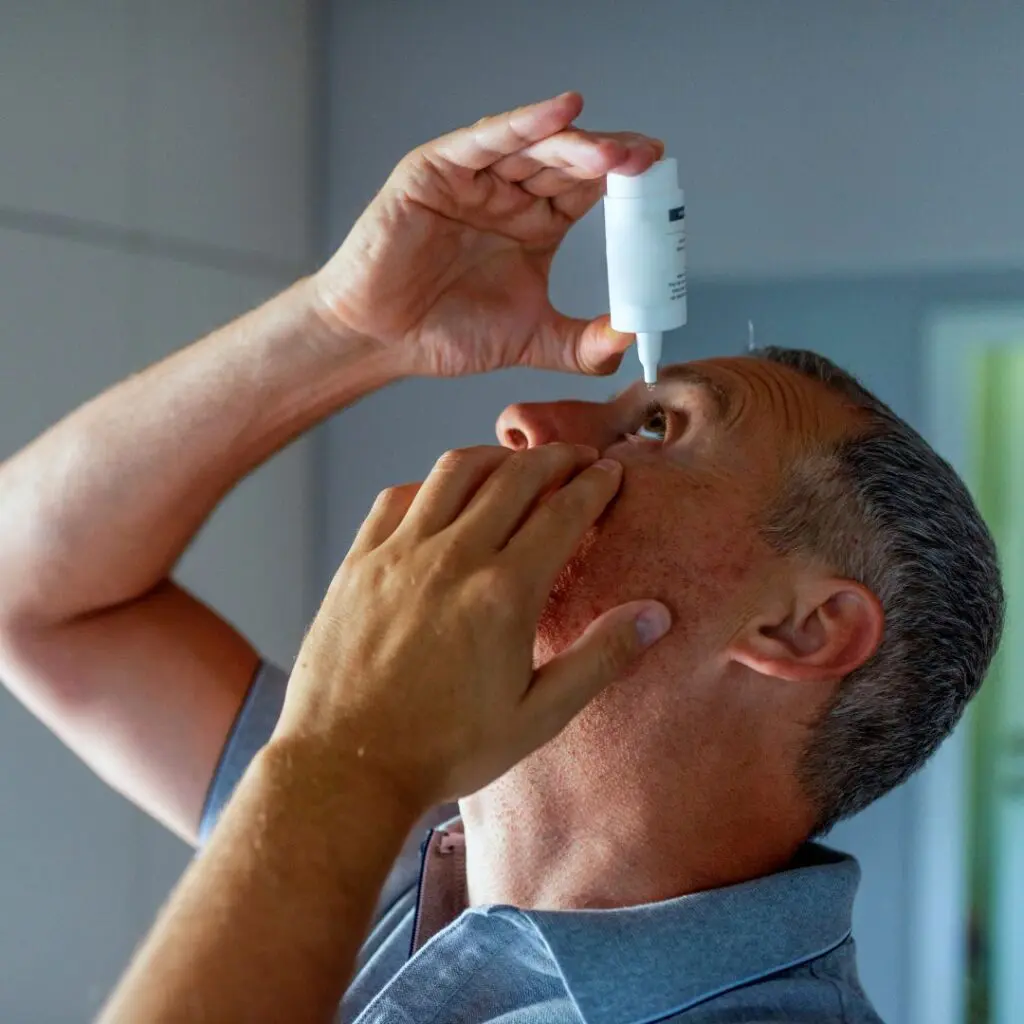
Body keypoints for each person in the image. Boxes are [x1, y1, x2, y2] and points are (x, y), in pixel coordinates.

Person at [0, 92, 1003, 1024]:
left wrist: (340, 758)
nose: (524, 419)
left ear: (800, 626)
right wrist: (347, 330)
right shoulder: (399, 826)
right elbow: (35, 596)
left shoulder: (359, 792)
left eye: (656, 427)